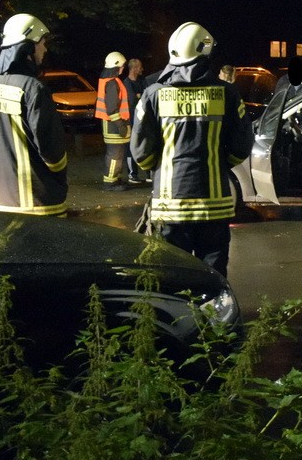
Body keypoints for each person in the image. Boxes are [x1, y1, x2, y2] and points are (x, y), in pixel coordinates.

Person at [130, 22, 254, 277]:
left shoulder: (153, 94)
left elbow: (141, 151)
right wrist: (219, 164)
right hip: (215, 205)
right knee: (214, 276)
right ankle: (212, 316)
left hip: (170, 205)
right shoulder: (227, 93)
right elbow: (242, 145)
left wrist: (161, 167)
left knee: (174, 277)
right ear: (204, 53)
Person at [0, 13, 68, 216]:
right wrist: (58, 175)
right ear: (27, 48)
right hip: (41, 202)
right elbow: (50, 146)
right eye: (41, 43)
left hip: (5, 202)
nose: (44, 49)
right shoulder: (34, 89)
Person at [95, 51, 131, 191]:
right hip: (113, 125)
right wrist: (120, 125)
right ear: (116, 67)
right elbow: (112, 108)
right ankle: (110, 183)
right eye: (121, 66)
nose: (123, 69)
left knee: (117, 154)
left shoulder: (110, 81)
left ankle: (115, 179)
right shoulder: (111, 83)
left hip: (112, 124)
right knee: (115, 155)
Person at [124, 58, 148, 184]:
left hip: (142, 118)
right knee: (131, 146)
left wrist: (140, 96)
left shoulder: (142, 81)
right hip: (131, 119)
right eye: (140, 67)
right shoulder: (126, 83)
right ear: (134, 68)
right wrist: (140, 96)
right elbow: (133, 100)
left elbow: (145, 96)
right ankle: (132, 174)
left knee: (146, 143)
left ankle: (148, 174)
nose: (142, 69)